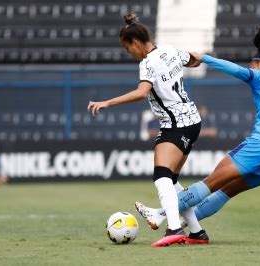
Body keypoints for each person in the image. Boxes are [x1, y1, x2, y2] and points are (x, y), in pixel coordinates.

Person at [135, 24, 260, 234]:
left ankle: (160, 214)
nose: (250, 69)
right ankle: (189, 226)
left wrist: (205, 58)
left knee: (211, 183)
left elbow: (235, 70)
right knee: (227, 191)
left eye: (252, 66)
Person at [87, 12, 208, 247]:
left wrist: (107, 102)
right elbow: (195, 60)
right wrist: (195, 57)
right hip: (192, 120)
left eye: (127, 48)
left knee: (162, 176)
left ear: (134, 42)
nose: (129, 53)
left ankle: (173, 228)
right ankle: (196, 232)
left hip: (176, 124)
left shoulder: (147, 63)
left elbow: (142, 92)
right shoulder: (171, 50)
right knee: (171, 179)